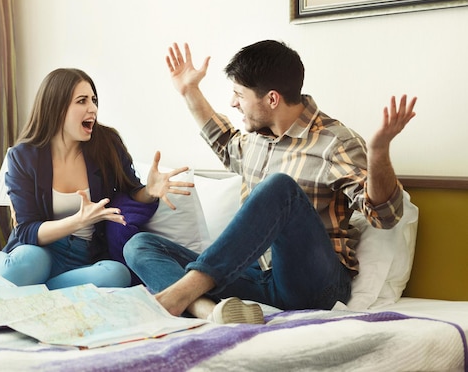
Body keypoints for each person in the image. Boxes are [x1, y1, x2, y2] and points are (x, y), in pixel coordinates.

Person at [123, 41, 417, 324]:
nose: (233, 102)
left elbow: (384, 216)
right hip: (257, 278)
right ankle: (208, 312)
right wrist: (189, 90)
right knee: (139, 245)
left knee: (280, 188)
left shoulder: (336, 142)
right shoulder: (255, 141)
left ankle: (181, 294)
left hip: (315, 286)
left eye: (239, 94)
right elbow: (222, 139)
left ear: (272, 98)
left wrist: (378, 152)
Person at [0, 68, 192, 290]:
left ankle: (27, 288)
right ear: (57, 107)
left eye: (94, 100)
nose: (92, 108)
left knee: (116, 275)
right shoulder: (23, 157)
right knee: (29, 263)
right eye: (82, 101)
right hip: (39, 251)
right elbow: (26, 231)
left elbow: (131, 192)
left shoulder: (107, 143)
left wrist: (150, 191)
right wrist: (77, 221)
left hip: (83, 258)